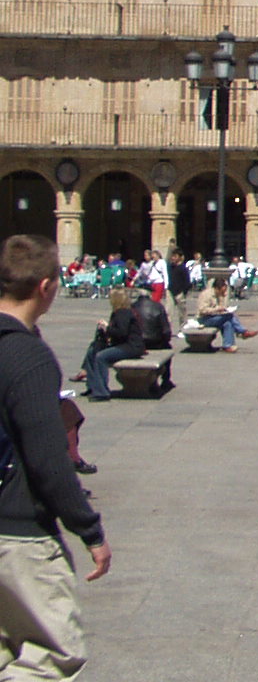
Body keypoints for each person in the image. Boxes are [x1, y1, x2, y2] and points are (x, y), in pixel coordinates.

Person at [0, 235, 112, 678]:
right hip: (17, 532)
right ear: (47, 287)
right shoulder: (26, 356)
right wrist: (89, 530)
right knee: (52, 654)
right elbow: (49, 459)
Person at [79, 289, 145, 402]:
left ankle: (101, 392)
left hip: (131, 347)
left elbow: (121, 333)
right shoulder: (119, 312)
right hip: (124, 344)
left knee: (101, 357)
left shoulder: (123, 313)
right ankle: (92, 386)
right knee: (92, 350)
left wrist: (107, 328)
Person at [195, 278, 256, 351]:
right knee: (229, 317)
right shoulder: (206, 295)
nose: (224, 293)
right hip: (204, 319)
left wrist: (224, 309)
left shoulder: (220, 294)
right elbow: (202, 310)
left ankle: (228, 345)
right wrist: (217, 309)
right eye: (222, 291)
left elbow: (221, 307)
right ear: (217, 288)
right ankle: (242, 332)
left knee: (227, 323)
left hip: (214, 317)